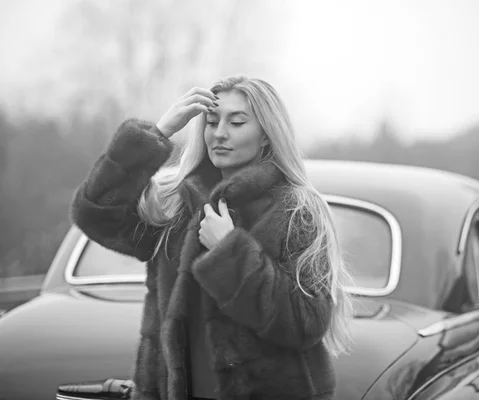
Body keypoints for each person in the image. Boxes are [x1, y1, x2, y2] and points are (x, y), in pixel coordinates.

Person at [70, 76, 354, 400]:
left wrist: (229, 251)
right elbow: (95, 215)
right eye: (212, 121)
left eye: (237, 122)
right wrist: (157, 134)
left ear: (265, 136)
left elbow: (307, 321)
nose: (219, 133)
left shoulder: (296, 209)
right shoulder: (177, 202)